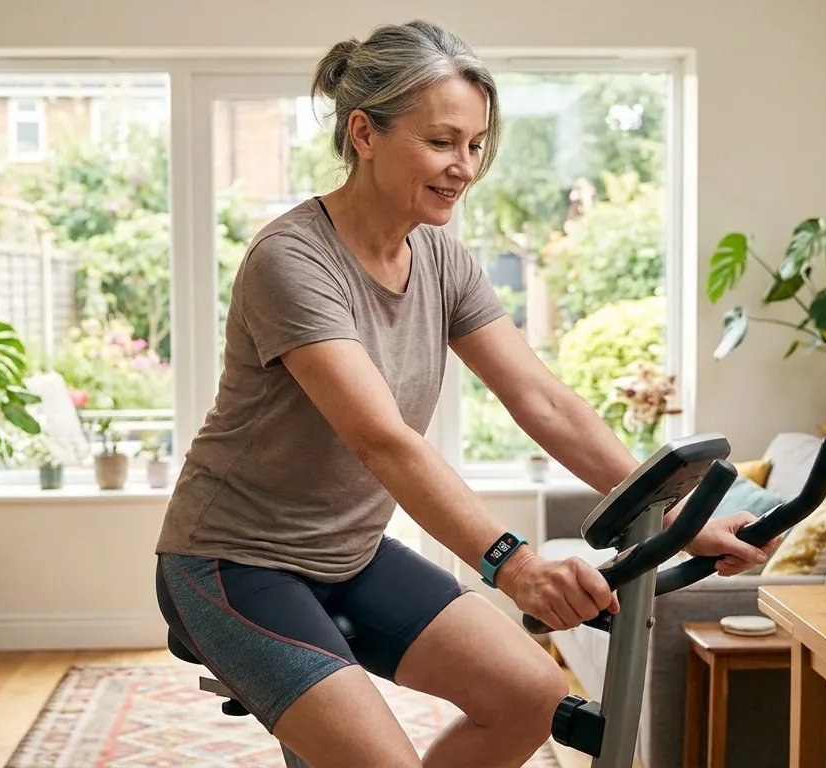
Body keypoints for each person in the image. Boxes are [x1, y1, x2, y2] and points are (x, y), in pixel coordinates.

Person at [155, 20, 773, 768]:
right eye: (442, 141)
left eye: (475, 145)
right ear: (365, 133)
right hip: (232, 562)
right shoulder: (292, 262)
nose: (464, 166)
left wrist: (669, 510)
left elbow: (541, 400)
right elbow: (380, 438)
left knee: (530, 698)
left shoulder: (441, 258)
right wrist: (514, 565)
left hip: (349, 554)